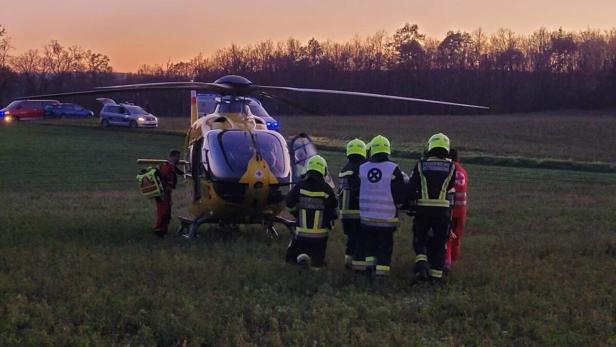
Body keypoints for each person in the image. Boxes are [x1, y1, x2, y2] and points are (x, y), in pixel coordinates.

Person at [353, 135, 407, 277]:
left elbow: (355, 190)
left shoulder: (362, 168)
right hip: (387, 220)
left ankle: (369, 270)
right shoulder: (394, 169)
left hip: (366, 219)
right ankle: (381, 276)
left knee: (369, 247)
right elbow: (400, 194)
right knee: (384, 248)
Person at [408, 133, 456, 282]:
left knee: (420, 238)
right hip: (442, 211)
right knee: (440, 243)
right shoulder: (451, 167)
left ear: (430, 146)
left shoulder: (420, 164)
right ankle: (436, 278)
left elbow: (412, 186)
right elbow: (451, 186)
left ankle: (422, 265)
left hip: (423, 209)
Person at [286, 155, 338, 268]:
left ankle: (301, 260)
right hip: (320, 236)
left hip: (301, 234)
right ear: (323, 170)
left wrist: (296, 213)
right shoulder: (327, 189)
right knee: (317, 261)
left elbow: (288, 202)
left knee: (297, 252)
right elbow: (334, 207)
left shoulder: (299, 186)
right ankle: (316, 267)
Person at [338, 139, 367, 268]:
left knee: (351, 240)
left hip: (345, 213)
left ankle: (347, 264)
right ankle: (358, 269)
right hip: (358, 212)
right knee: (361, 242)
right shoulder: (363, 169)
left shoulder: (344, 170)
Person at [445, 148, 468, 272]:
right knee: (456, 238)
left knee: (447, 238)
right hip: (461, 211)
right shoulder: (463, 171)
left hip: (450, 210)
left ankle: (447, 265)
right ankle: (453, 262)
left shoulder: (448, 170)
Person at [154, 149, 182, 237]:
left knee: (167, 211)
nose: (178, 160)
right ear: (172, 157)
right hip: (163, 194)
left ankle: (163, 230)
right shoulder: (166, 167)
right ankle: (159, 230)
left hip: (167, 193)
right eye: (177, 157)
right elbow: (165, 179)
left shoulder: (171, 167)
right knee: (163, 211)